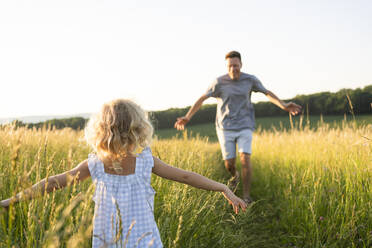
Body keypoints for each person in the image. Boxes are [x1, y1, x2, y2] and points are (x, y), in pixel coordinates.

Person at [0, 99, 247, 248]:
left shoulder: (94, 165)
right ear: (139, 129)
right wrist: (223, 187)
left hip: (108, 240)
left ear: (101, 131)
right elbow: (186, 176)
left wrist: (12, 200)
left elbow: (53, 182)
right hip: (145, 240)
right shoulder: (146, 162)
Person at [174, 51, 302, 204]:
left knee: (245, 159)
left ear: (241, 65)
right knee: (229, 164)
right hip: (224, 127)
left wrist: (284, 105)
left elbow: (267, 93)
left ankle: (246, 196)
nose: (233, 68)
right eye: (230, 66)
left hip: (245, 125)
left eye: (236, 65)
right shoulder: (219, 82)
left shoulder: (250, 80)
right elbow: (202, 98)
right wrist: (188, 117)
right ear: (226, 67)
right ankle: (235, 175)